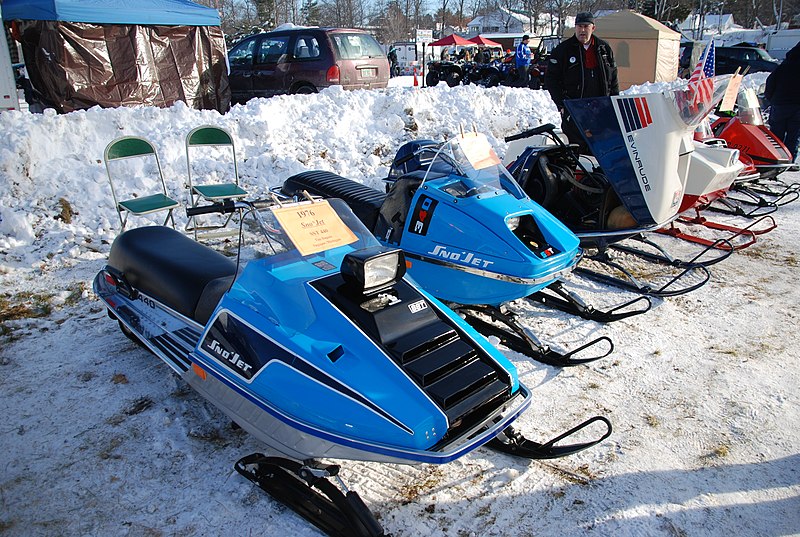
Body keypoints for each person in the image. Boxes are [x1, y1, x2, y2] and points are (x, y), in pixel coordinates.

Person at [545, 12, 619, 152]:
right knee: (576, 150)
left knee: (600, 150)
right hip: (575, 110)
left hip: (600, 110)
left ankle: (596, 174)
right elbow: (551, 79)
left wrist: (614, 102)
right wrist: (561, 104)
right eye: (579, 26)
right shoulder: (563, 50)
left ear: (593, 28)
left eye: (586, 26)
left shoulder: (603, 49)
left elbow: (613, 78)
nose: (582, 30)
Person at [764, 42, 800, 162]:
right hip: (797, 107)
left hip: (780, 105)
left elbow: (770, 84)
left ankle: (775, 158)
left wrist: (770, 99)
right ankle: (790, 159)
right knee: (793, 135)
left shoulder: (783, 67)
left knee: (776, 135)